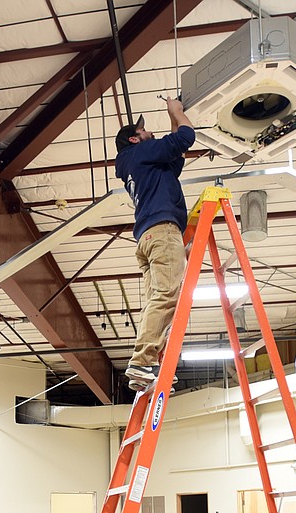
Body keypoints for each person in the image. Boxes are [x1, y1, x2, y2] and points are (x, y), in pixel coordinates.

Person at [114, 97, 196, 391]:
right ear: (135, 138)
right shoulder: (142, 151)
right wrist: (177, 113)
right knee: (166, 296)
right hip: (162, 233)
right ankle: (142, 361)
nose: (151, 133)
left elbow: (176, 157)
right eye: (145, 131)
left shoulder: (139, 162)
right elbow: (187, 137)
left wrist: (173, 118)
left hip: (147, 237)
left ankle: (148, 364)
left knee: (157, 301)